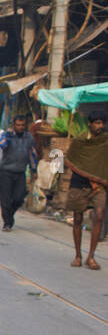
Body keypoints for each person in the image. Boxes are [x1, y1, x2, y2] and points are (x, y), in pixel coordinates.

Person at [65, 112, 107, 270]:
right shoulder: (79, 141)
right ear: (90, 124)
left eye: (102, 123)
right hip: (79, 184)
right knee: (77, 219)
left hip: (98, 186)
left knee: (99, 216)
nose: (100, 126)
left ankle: (91, 256)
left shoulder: (105, 141)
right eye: (97, 123)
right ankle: (78, 255)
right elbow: (72, 159)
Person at [0, 115, 37, 231]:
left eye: (22, 125)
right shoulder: (7, 135)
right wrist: (8, 136)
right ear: (14, 125)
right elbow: (2, 145)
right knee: (5, 199)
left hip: (20, 172)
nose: (20, 127)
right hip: (6, 172)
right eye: (18, 125)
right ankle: (7, 223)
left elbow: (31, 154)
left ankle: (10, 214)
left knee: (19, 197)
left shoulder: (28, 138)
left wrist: (34, 169)